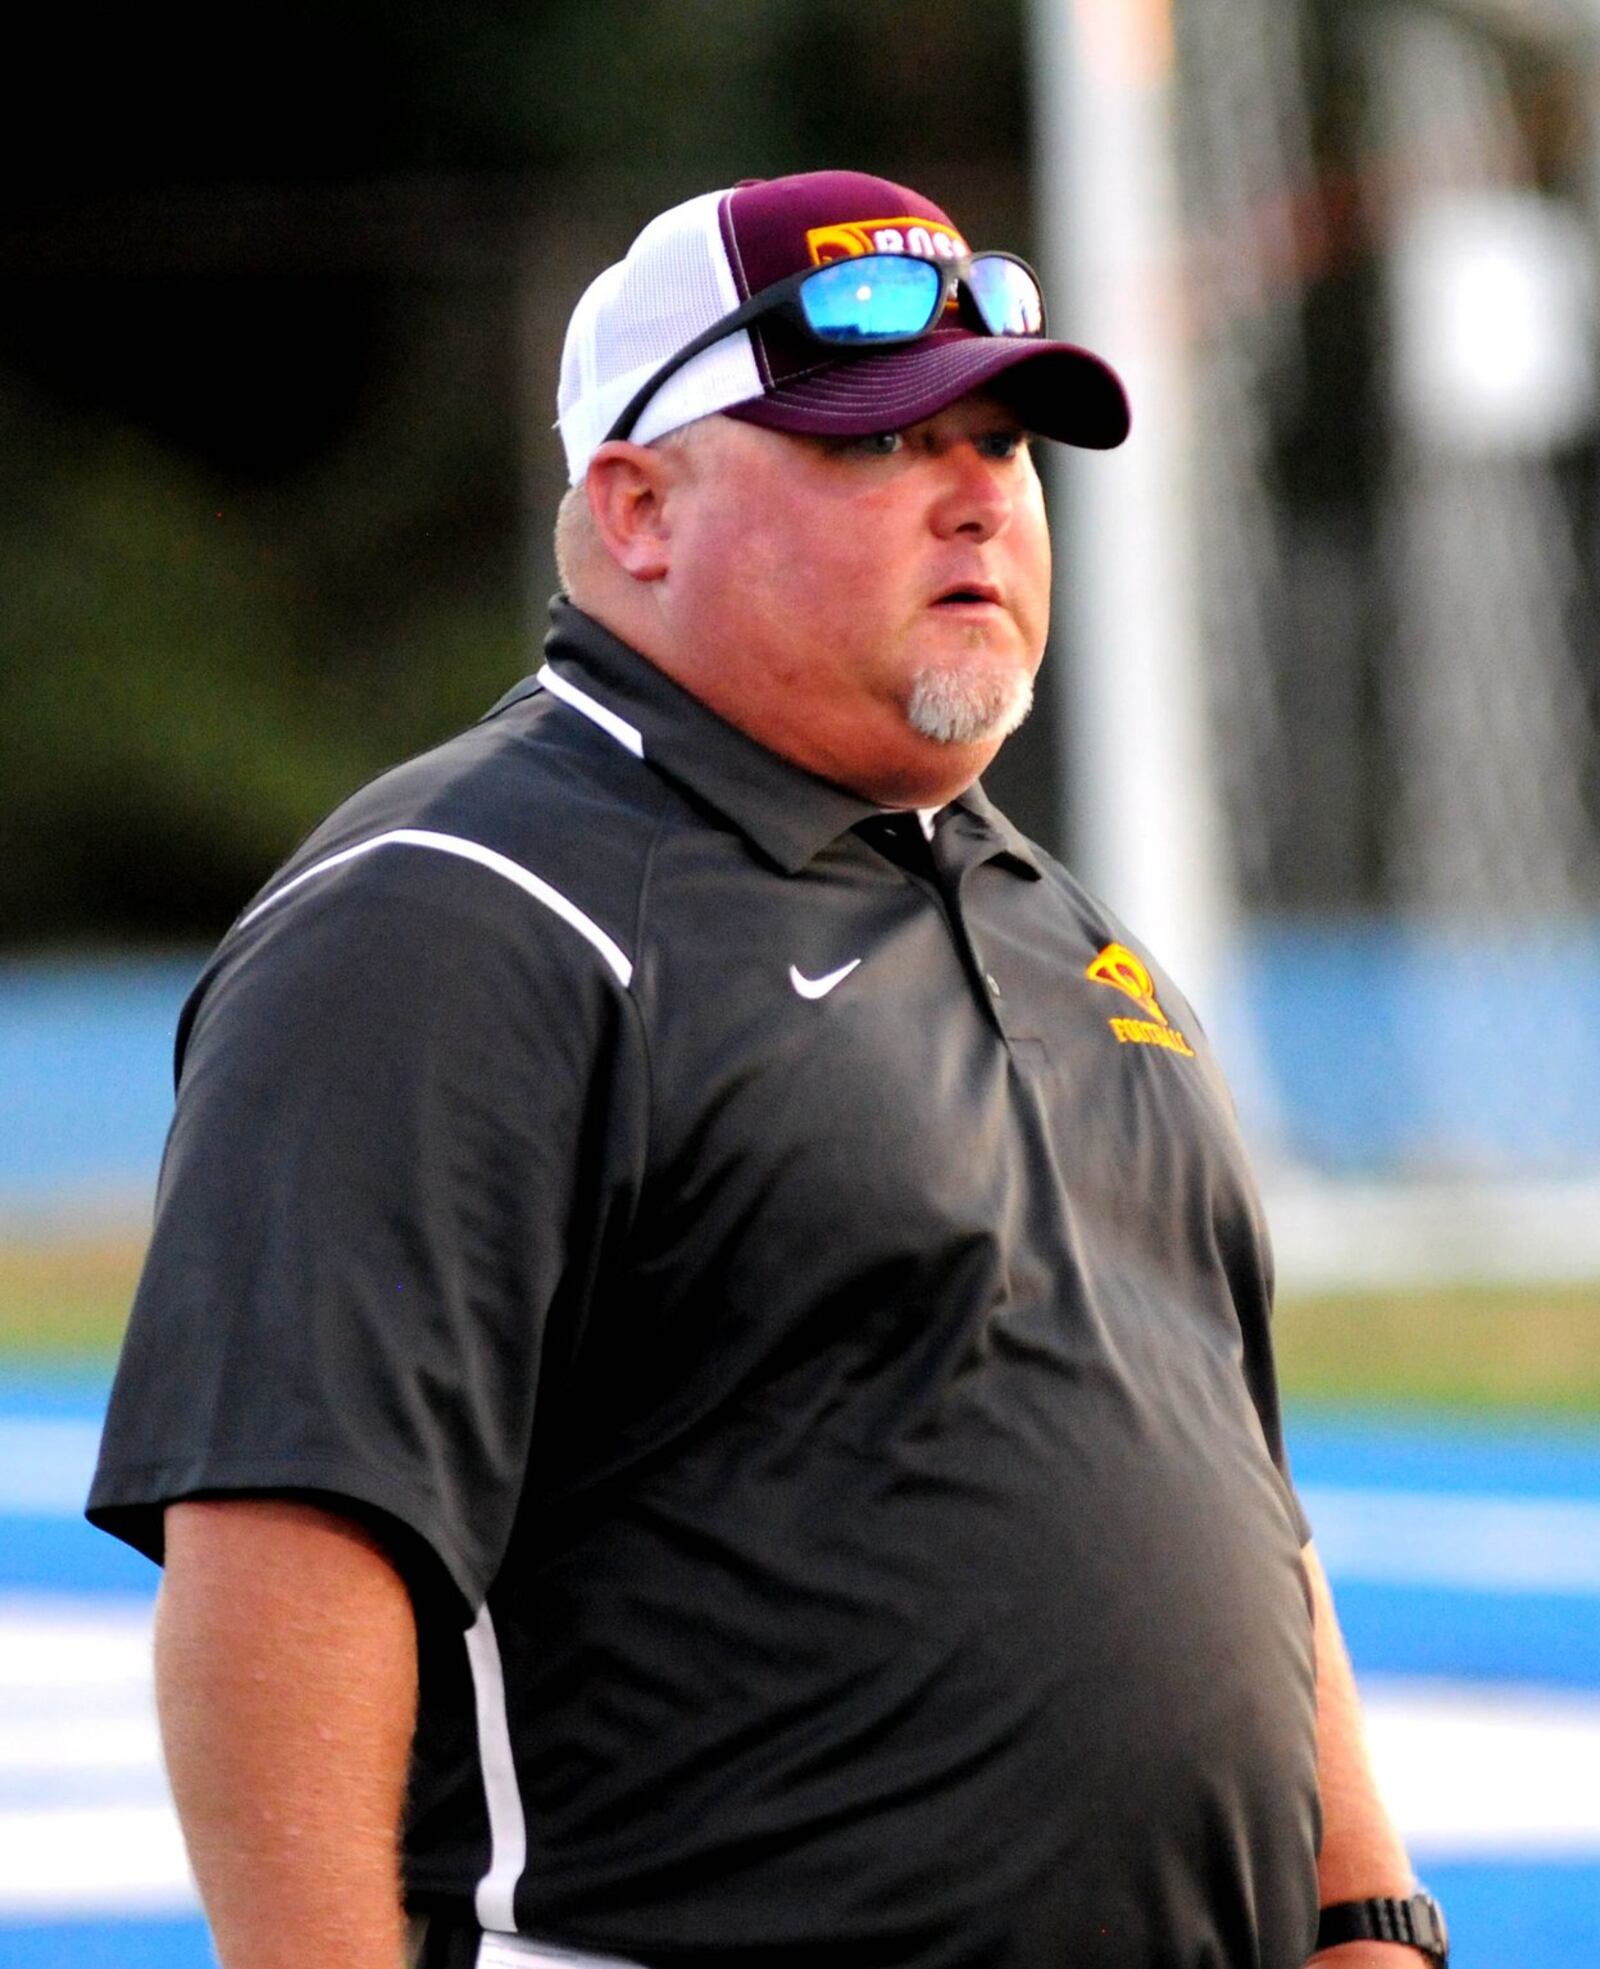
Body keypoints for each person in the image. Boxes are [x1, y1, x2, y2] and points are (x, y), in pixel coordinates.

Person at [88, 169, 1448, 1969]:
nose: (974, 493)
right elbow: (286, 1542)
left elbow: (1243, 1496)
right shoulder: (454, 917)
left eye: (1003, 443)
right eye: (877, 445)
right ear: (638, 508)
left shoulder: (1067, 934)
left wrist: (1365, 1915)